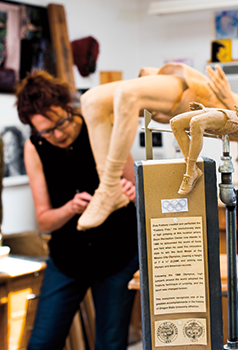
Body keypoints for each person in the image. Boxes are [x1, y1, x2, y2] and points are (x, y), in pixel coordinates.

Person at [77, 62, 238, 230]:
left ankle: (108, 187)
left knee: (127, 95)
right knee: (91, 100)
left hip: (197, 93)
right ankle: (108, 187)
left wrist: (228, 99)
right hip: (196, 88)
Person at [15, 71, 138, 350]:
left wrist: (132, 194)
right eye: (46, 131)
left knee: (111, 343)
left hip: (117, 257)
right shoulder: (35, 148)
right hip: (67, 259)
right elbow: (45, 221)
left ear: (69, 108)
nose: (57, 134)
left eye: (61, 123)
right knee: (43, 342)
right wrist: (71, 208)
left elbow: (138, 192)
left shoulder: (101, 128)